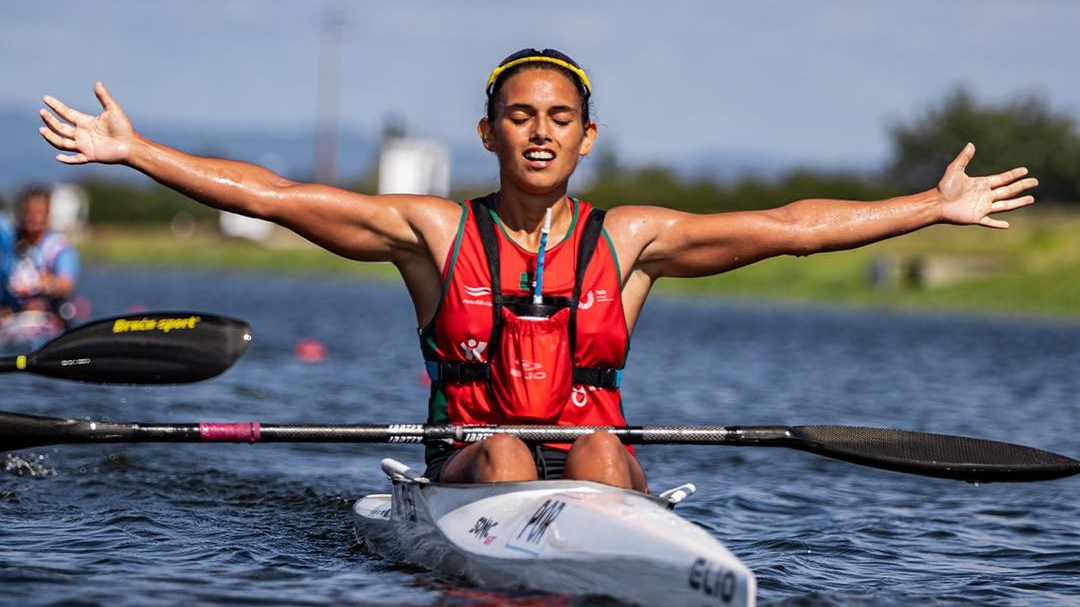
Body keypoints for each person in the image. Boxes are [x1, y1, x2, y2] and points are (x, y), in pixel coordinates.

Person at [38, 48, 1036, 491]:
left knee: (597, 456)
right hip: (476, 462)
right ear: (488, 130)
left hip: (596, 461)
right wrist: (139, 151)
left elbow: (793, 226)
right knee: (516, 455)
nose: (540, 132)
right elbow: (273, 195)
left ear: (586, 136)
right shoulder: (431, 232)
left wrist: (930, 206)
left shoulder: (634, 238)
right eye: (521, 115)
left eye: (559, 117)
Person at [0, 185, 80, 323]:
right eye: (28, 212)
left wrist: (49, 284)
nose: (33, 218)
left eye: (38, 213)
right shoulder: (8, 241)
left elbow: (66, 285)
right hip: (12, 318)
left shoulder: (58, 248)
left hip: (48, 318)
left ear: (48, 215)